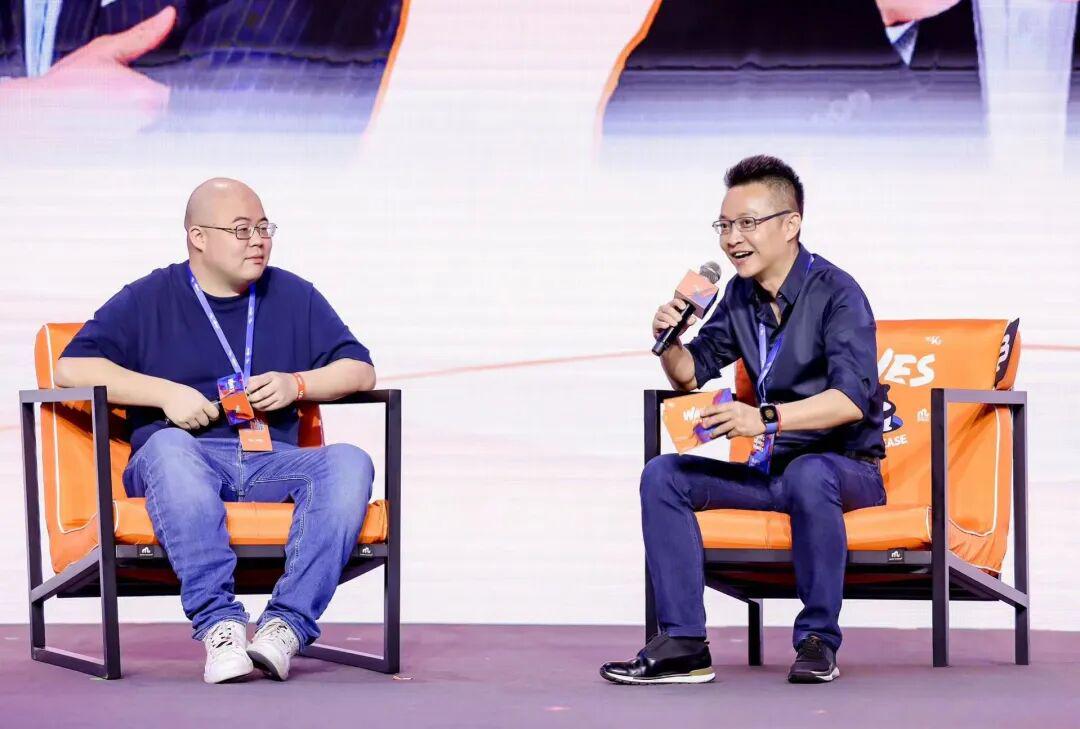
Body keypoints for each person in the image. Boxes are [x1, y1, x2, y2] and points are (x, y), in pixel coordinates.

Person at [54, 177, 378, 684]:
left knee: (349, 461)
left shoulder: (293, 294)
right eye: (242, 230)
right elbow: (70, 368)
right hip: (183, 459)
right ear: (198, 237)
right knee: (168, 447)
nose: (258, 241)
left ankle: (284, 627)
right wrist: (164, 394)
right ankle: (220, 625)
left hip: (271, 461)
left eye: (264, 228)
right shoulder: (150, 297)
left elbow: (360, 370)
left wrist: (297, 383)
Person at [600, 155, 886, 685]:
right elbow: (690, 375)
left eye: (747, 223)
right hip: (771, 472)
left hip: (845, 470)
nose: (732, 239)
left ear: (791, 224)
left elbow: (850, 399)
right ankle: (684, 644)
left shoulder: (837, 293)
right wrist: (670, 341)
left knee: (810, 473)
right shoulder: (737, 294)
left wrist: (765, 419)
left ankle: (818, 639)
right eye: (724, 225)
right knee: (664, 475)